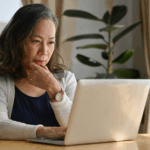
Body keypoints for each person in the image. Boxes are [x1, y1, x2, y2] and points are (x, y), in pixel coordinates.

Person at [0, 4, 77, 140]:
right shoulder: (3, 81)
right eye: (36, 41)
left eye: (50, 42)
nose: (44, 51)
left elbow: (76, 128)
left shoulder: (66, 79)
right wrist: (42, 131)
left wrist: (54, 89)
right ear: (17, 41)